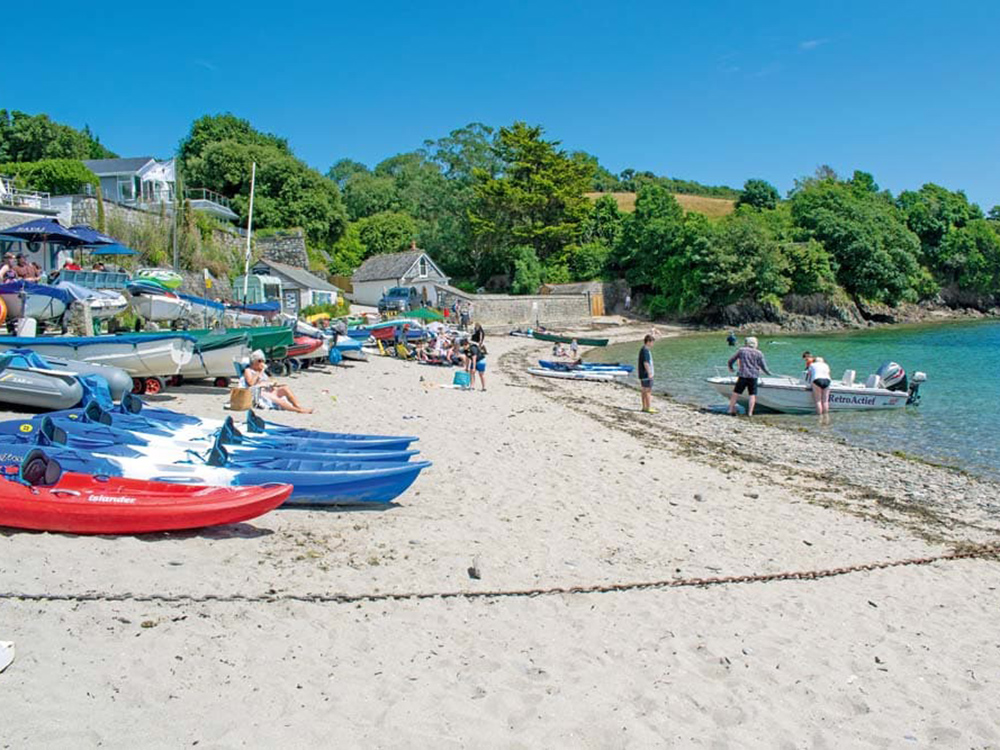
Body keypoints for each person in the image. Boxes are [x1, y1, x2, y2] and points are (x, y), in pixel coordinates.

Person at [241, 350, 313, 413]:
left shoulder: (262, 371)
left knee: (285, 388)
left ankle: (298, 406)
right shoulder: (248, 370)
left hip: (268, 389)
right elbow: (250, 383)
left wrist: (272, 383)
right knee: (278, 400)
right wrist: (258, 373)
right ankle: (297, 410)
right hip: (259, 393)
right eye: (259, 361)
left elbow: (271, 379)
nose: (262, 362)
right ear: (254, 361)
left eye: (262, 360)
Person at [727, 336, 772, 416]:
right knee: (752, 395)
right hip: (753, 376)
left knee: (736, 393)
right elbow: (763, 366)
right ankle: (750, 413)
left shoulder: (741, 351)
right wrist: (768, 373)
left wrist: (731, 368)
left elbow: (730, 361)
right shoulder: (759, 353)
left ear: (746, 343)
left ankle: (730, 409)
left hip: (743, 375)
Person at [638, 334, 656, 413]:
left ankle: (644, 407)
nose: (653, 344)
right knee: (648, 391)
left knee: (644, 390)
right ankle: (648, 407)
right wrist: (649, 373)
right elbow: (646, 363)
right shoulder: (645, 350)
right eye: (652, 342)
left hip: (642, 373)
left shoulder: (643, 349)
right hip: (646, 374)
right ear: (648, 342)